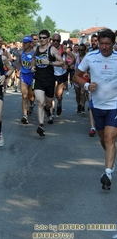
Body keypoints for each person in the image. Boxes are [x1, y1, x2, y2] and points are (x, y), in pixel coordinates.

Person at [73, 29, 117, 190]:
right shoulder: (91, 57)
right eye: (101, 44)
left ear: (113, 44)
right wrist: (86, 85)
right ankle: (111, 157)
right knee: (103, 139)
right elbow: (76, 75)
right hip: (97, 105)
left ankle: (107, 173)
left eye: (107, 44)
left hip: (114, 106)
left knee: (109, 138)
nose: (104, 47)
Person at [30, 30, 64, 136]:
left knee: (48, 104)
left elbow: (62, 62)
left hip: (49, 80)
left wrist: (49, 62)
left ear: (48, 39)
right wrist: (32, 66)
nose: (42, 39)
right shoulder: (36, 49)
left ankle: (48, 111)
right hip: (39, 79)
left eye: (44, 37)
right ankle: (40, 125)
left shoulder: (52, 49)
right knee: (40, 102)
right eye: (40, 37)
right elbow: (33, 59)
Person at [17, 36, 35, 124]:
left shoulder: (34, 52)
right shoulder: (20, 53)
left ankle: (32, 104)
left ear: (31, 43)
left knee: (31, 97)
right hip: (24, 75)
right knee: (24, 96)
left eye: (26, 42)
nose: (24, 44)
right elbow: (20, 62)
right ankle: (25, 115)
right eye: (23, 42)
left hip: (32, 76)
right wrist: (17, 70)